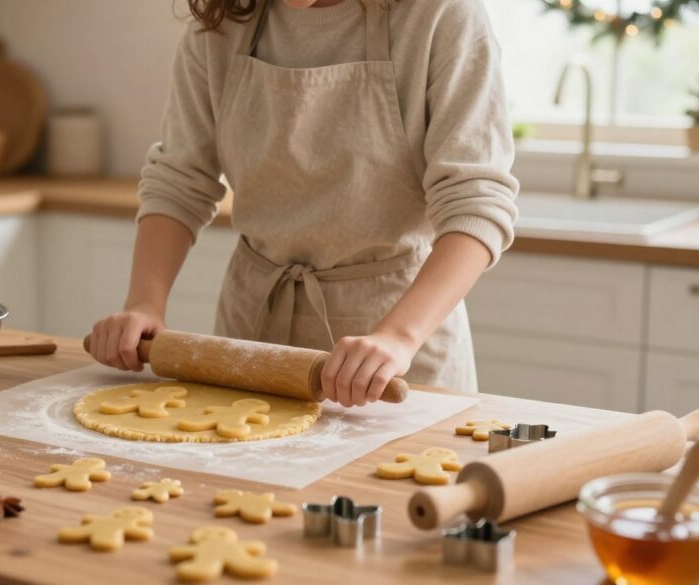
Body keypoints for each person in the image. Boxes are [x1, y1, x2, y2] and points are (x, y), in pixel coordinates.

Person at [88, 0, 518, 407]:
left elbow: (475, 205)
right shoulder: (225, 18)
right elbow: (180, 179)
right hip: (252, 344)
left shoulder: (439, 15)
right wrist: (144, 302)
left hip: (401, 353)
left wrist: (398, 337)